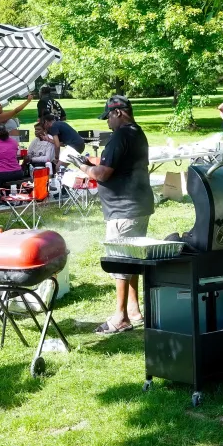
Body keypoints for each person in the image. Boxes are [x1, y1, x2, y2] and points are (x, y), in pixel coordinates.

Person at [75, 96, 154, 333]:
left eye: (108, 117)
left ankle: (120, 317)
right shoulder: (137, 133)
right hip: (138, 205)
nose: (107, 122)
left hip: (124, 208)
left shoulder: (120, 135)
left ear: (118, 112)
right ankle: (134, 310)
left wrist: (84, 167)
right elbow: (120, 165)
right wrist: (93, 163)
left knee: (121, 261)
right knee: (131, 259)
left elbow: (103, 174)